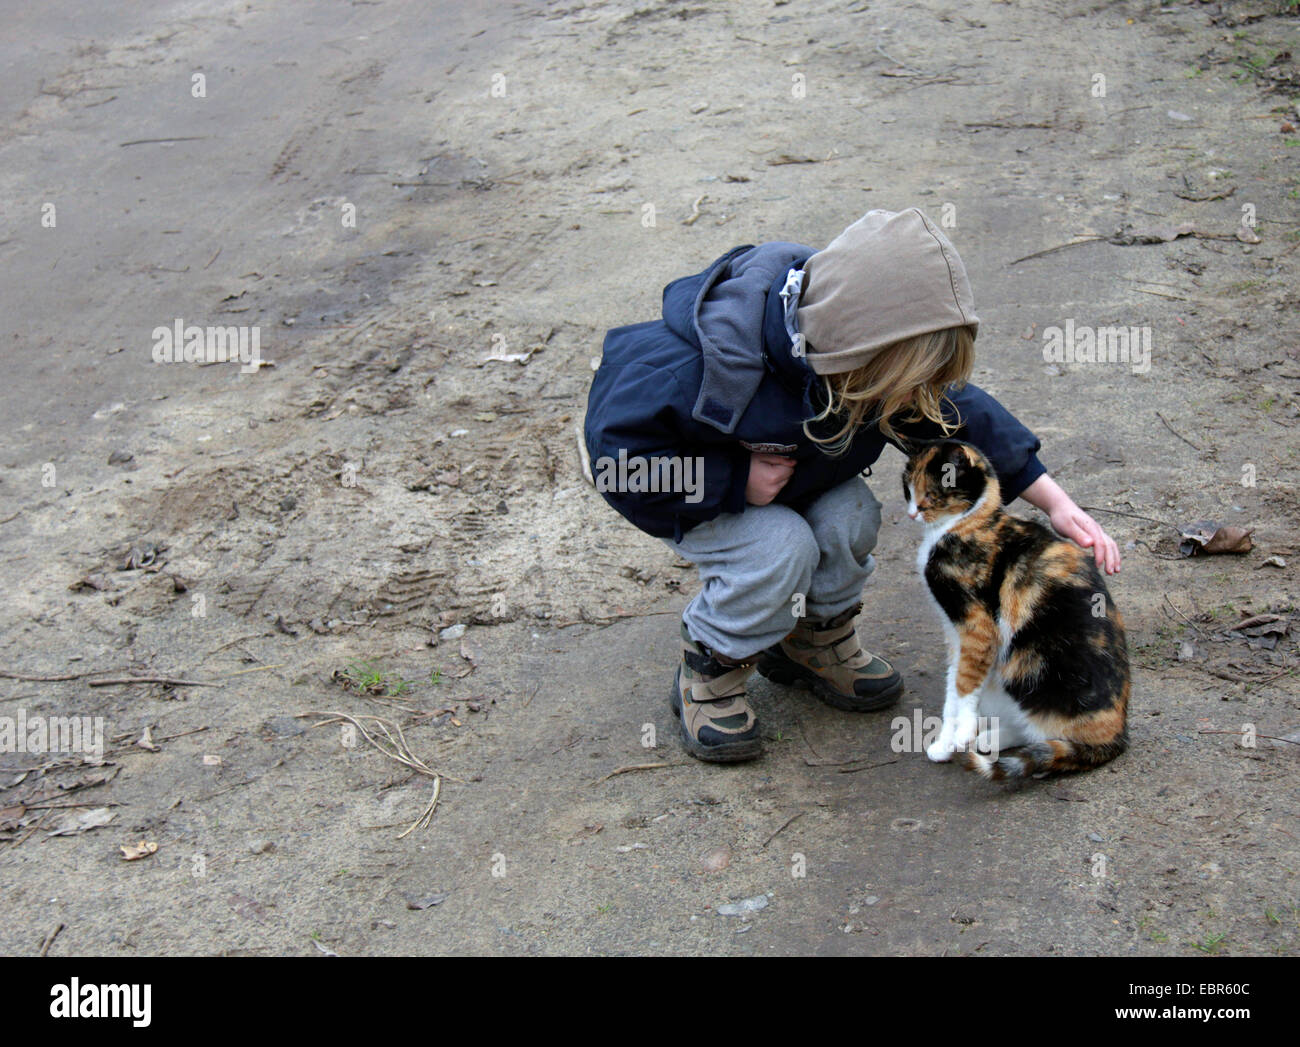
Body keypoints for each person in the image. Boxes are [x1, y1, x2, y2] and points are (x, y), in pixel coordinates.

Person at [583, 208, 1121, 763]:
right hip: (698, 494)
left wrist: (1054, 500)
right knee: (778, 549)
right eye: (905, 385)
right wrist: (734, 479)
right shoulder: (700, 368)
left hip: (804, 481)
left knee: (851, 516)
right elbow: (622, 463)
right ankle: (712, 664)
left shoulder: (866, 362)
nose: (913, 400)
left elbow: (964, 420)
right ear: (854, 357)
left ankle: (812, 639)